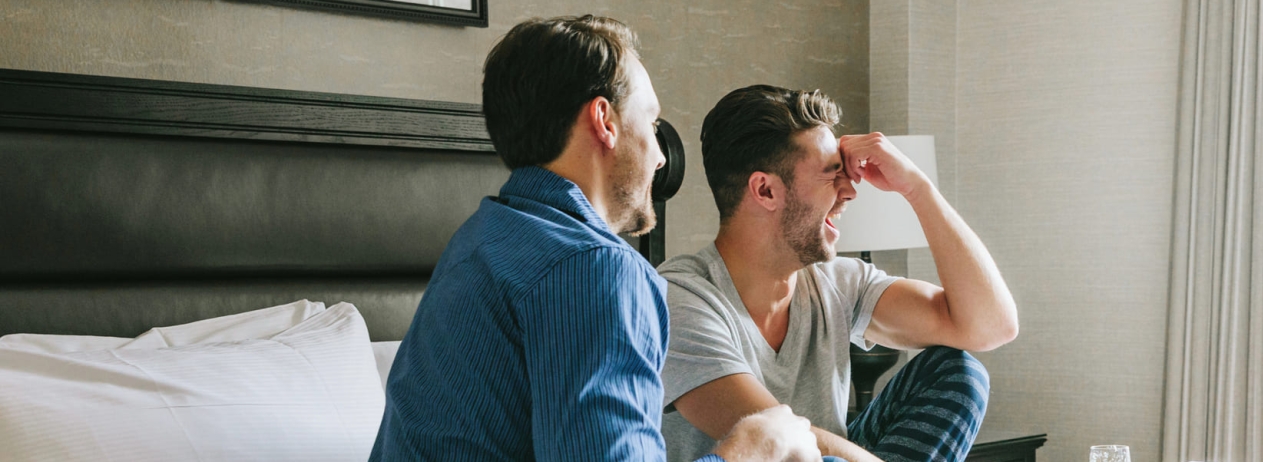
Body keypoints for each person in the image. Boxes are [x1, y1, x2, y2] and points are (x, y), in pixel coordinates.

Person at [371, 17, 819, 462]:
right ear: (604, 121)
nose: (661, 157)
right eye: (652, 122)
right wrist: (753, 448)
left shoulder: (483, 236)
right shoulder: (596, 266)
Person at [658, 85, 1020, 462]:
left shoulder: (837, 281)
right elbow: (779, 441)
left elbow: (992, 326)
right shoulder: (679, 300)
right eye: (832, 174)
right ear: (765, 190)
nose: (850, 191)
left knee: (959, 374)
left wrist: (917, 188)